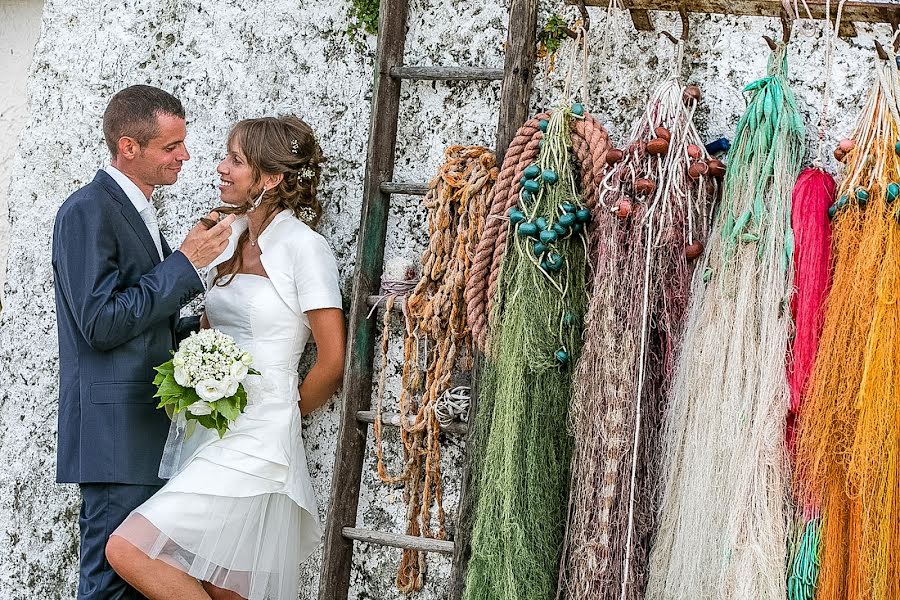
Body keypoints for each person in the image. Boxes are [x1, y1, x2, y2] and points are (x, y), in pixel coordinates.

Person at [105, 115, 347, 600]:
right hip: (214, 429)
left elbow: (332, 361)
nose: (220, 168)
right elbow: (209, 330)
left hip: (261, 438)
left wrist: (283, 410)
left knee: (127, 549)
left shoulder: (305, 248)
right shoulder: (227, 238)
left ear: (273, 177)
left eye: (235, 160)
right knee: (226, 589)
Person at [53, 84, 236, 599]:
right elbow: (101, 322)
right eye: (171, 146)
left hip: (146, 432)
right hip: (115, 438)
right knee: (110, 588)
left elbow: (138, 322)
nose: (186, 155)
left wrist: (197, 332)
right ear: (129, 148)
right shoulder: (88, 209)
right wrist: (184, 265)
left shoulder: (137, 208)